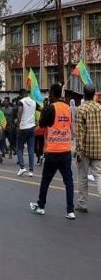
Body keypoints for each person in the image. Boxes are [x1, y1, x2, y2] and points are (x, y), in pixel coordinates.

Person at [30, 84, 75, 219]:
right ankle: (70, 211)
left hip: (53, 150)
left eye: (50, 93)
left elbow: (42, 124)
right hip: (66, 150)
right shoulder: (68, 108)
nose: (49, 96)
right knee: (69, 181)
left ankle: (41, 206)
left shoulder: (50, 108)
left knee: (46, 180)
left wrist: (44, 109)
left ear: (53, 94)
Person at [75, 84, 101, 213]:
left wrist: (78, 151)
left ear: (84, 94)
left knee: (83, 177)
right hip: (99, 147)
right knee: (99, 176)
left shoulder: (81, 109)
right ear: (94, 94)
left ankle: (82, 204)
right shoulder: (100, 108)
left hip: (85, 149)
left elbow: (80, 132)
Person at [16, 88, 37, 177]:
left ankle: (22, 167)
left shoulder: (21, 102)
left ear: (21, 95)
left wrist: (18, 125)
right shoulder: (34, 102)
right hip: (32, 127)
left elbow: (20, 112)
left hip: (23, 128)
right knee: (31, 149)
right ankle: (31, 171)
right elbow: (39, 110)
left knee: (19, 148)